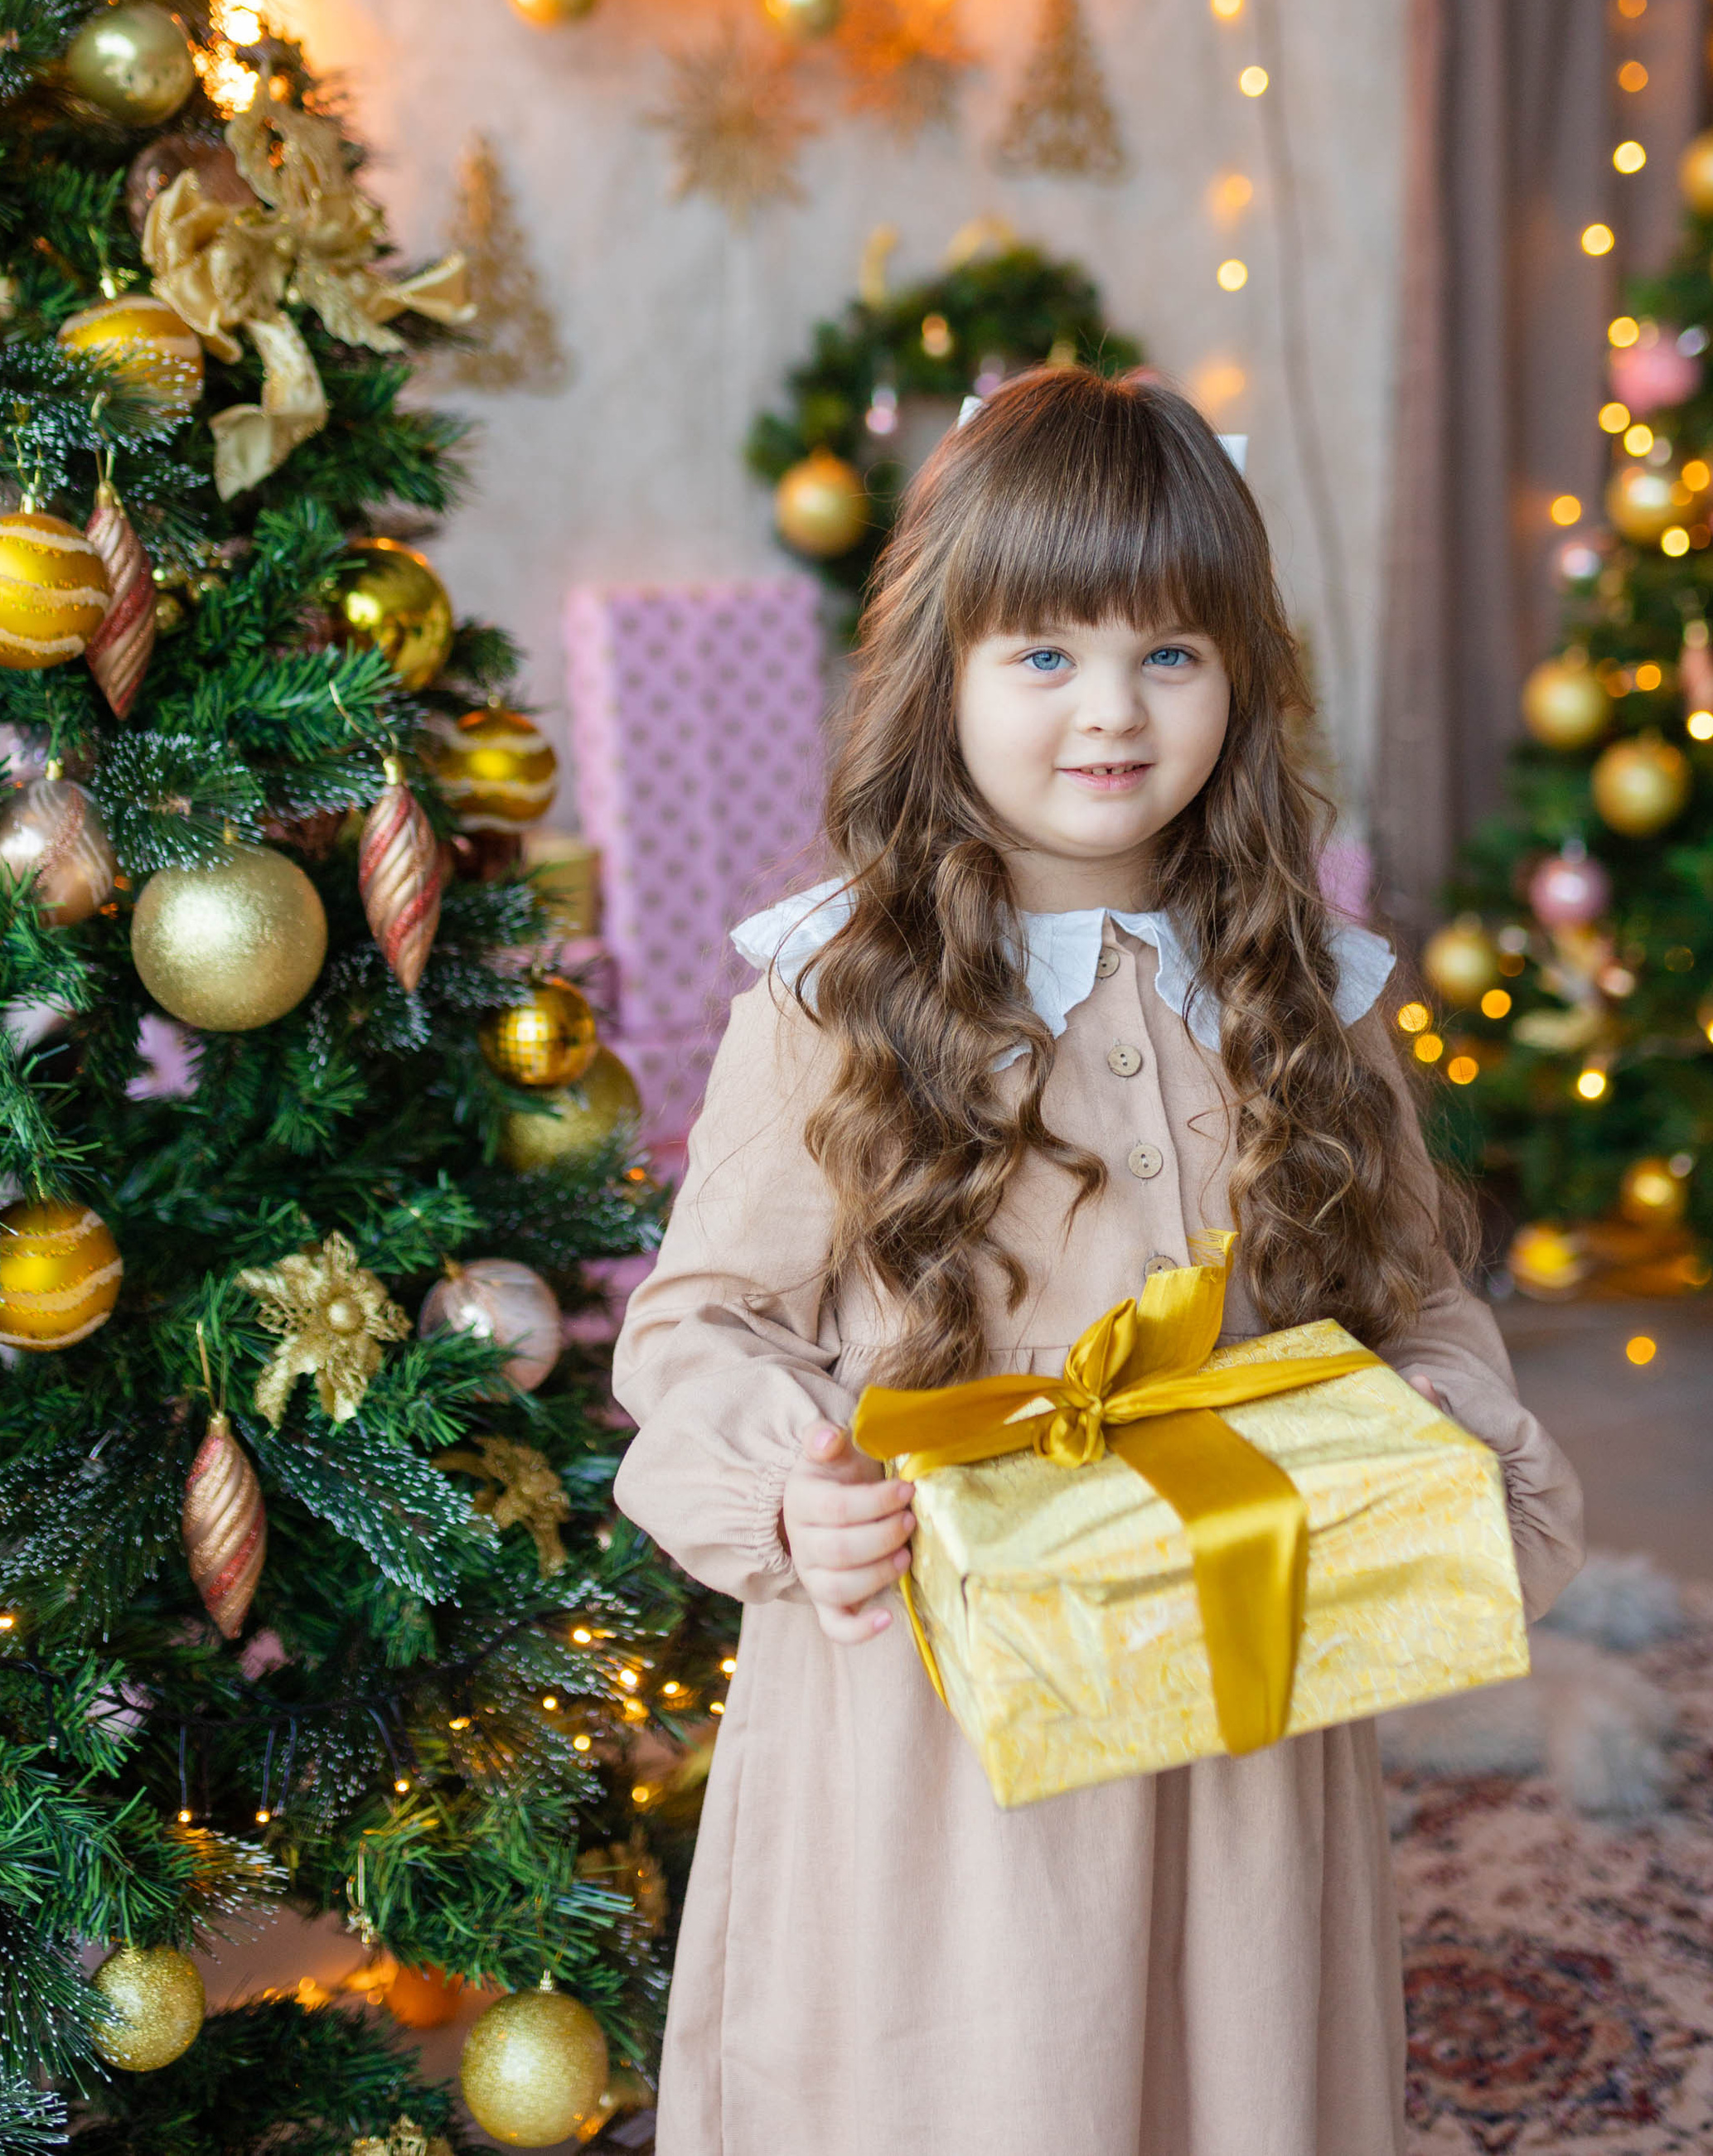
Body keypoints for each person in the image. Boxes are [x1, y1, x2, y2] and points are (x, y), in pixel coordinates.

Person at [612, 367, 1582, 2156]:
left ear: (1240, 674)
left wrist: (1436, 1416)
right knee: (984, 2079)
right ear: (943, 674)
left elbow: (1416, 1301)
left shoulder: (1314, 992)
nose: (1110, 715)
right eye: (1043, 655)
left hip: (1237, 1694)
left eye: (1168, 654)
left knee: (1222, 2076)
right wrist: (784, 1483)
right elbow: (693, 1330)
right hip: (933, 1746)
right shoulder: (835, 994)